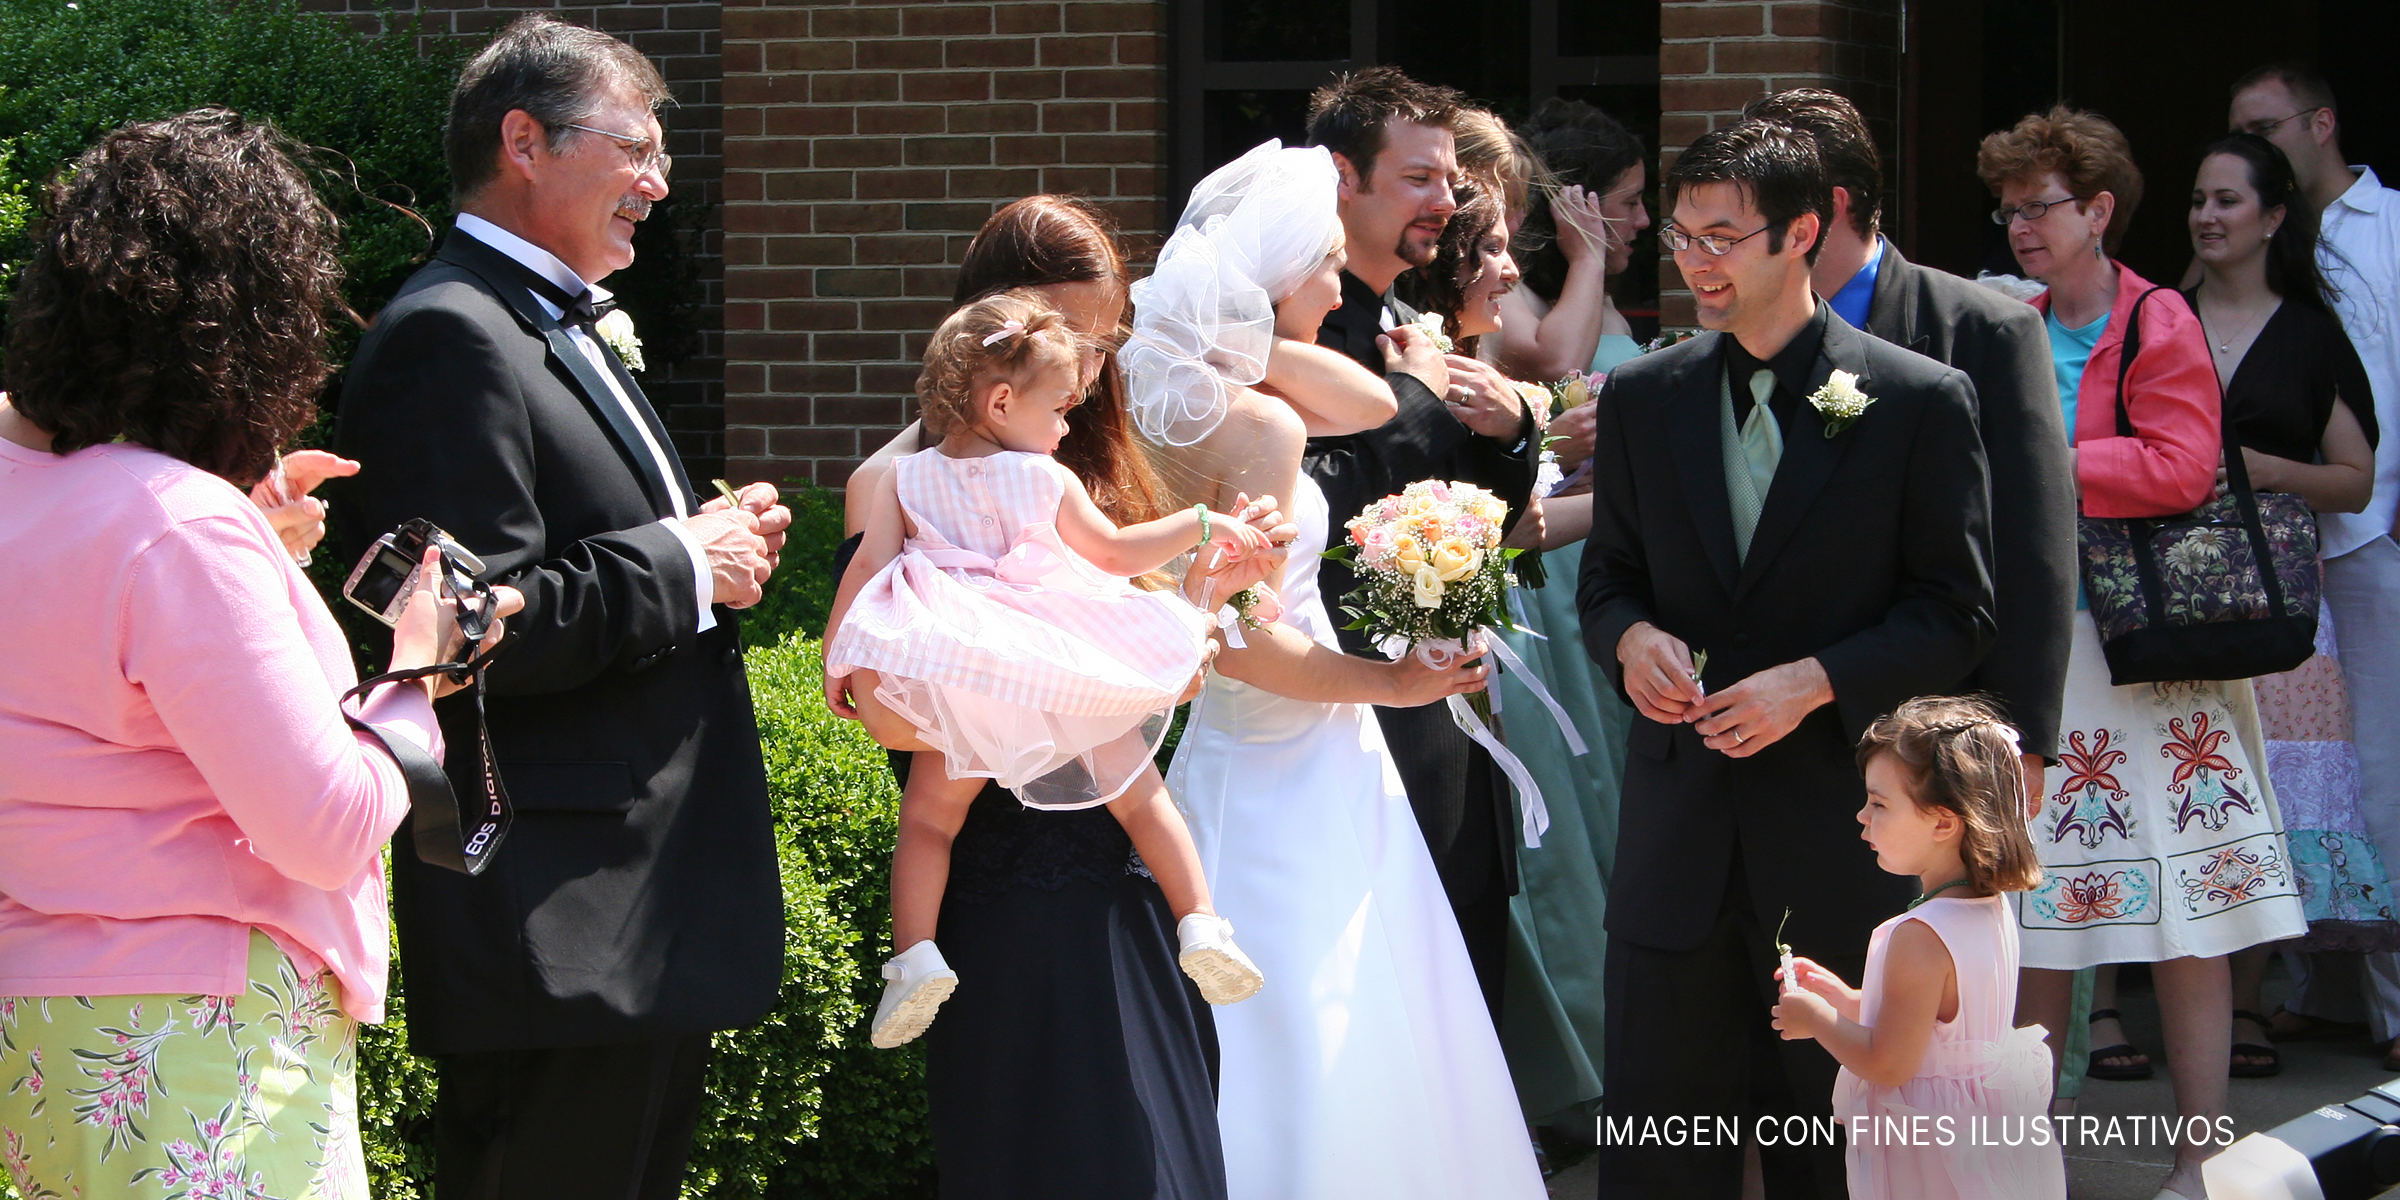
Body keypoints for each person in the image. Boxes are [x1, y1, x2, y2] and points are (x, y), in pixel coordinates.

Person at [0, 108, 501, 1197]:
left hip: (37, 1029)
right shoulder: (177, 524)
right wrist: (417, 666)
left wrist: (245, 535)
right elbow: (323, 828)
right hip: (202, 1037)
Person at [332, 17, 791, 1197]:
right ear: (522, 141)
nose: (658, 183)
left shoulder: (553, 320)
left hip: (635, 896)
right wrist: (682, 562)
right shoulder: (449, 332)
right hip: (557, 899)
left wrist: (714, 557)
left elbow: (588, 558)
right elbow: (454, 627)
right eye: (633, 148)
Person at [1579, 119, 1996, 1199]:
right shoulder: (1643, 397)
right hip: (1676, 845)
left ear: (1802, 232)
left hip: (1837, 837)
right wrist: (1630, 638)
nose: (1697, 260)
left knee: (1835, 1156)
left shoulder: (1914, 401)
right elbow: (1608, 576)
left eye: (1724, 235)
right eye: (1682, 235)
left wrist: (1816, 680)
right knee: (1662, 1159)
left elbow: (1956, 615)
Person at [1139, 139, 1546, 1199]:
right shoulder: (1263, 423)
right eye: (1323, 261)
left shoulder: (1197, 401)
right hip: (1291, 740)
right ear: (1282, 285)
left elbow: (1371, 404)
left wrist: (1239, 341)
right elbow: (1247, 637)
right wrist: (1396, 684)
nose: (1341, 281)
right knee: (1318, 1008)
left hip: (1249, 754)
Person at [844, 195, 1240, 1200]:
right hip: (1010, 900)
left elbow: (1173, 677)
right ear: (983, 345)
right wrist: (998, 690)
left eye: (1103, 340)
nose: (1088, 365)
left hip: (1126, 883)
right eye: (1067, 336)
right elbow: (870, 698)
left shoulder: (1079, 463)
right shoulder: (895, 484)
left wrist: (1209, 593)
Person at [1980, 105, 2308, 1200]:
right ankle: (2031, 1163)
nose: (2022, 225)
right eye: (2010, 207)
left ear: (2101, 209)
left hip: (2151, 657)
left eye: (2041, 205)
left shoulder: (2158, 314)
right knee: (2040, 911)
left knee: (2190, 907)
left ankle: (2201, 1159)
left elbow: (2182, 465)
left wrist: (2046, 461)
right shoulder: (2012, 318)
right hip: (2046, 646)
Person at [822, 291, 1270, 1049]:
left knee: (930, 819)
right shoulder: (1044, 479)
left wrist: (842, 654)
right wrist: (1201, 521)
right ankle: (1201, 924)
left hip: (961, 674)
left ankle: (914, 958)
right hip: (1054, 669)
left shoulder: (904, 480)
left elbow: (869, 563)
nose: (1066, 427)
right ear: (1001, 402)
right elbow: (1114, 554)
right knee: (1139, 796)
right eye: (1060, 409)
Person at [1744, 89, 2076, 818]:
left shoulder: (1986, 331)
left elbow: (2030, 540)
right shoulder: (1728, 342)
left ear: (1822, 211)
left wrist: (2022, 736)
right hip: (1759, 736)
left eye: (1752, 209)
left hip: (1923, 734)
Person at [1301, 66, 1536, 1020]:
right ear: (1342, 178)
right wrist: (1426, 400)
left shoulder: (1408, 321)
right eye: (1419, 179)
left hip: (1449, 698)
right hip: (1349, 704)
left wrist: (1511, 429)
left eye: (1448, 179)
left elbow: (1482, 521)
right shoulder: (1291, 328)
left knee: (1466, 972)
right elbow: (1320, 508)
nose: (1447, 201)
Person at [2185, 131, 2392, 1074]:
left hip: (2280, 606)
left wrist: (2269, 469)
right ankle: (2121, 1012)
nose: (2207, 216)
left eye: (2229, 200)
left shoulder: (2311, 332)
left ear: (2272, 219)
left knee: (2271, 801)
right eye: (2199, 200)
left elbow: (2355, 479)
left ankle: (2249, 1004)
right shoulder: (2159, 317)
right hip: (2167, 602)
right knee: (2186, 791)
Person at [1772, 697, 2065, 1200]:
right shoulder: (1990, 907)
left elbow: (1890, 1062)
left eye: (1879, 803)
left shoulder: (1919, 935)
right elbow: (1940, 1031)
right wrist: (1846, 999)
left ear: (1943, 823)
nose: (1862, 816)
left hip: (1931, 1151)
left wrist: (1817, 1020)